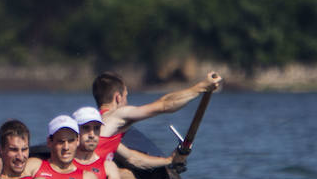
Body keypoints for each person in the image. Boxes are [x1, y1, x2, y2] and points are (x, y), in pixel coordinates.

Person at [92, 70, 223, 164]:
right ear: (118, 97)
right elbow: (165, 105)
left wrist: (169, 161)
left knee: (126, 175)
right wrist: (201, 87)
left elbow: (133, 158)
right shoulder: (119, 115)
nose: (126, 101)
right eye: (126, 96)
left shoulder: (97, 128)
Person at [30, 115, 103, 179]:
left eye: (70, 141)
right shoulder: (34, 166)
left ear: (77, 140)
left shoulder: (87, 177)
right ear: (49, 142)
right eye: (61, 141)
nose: (66, 147)